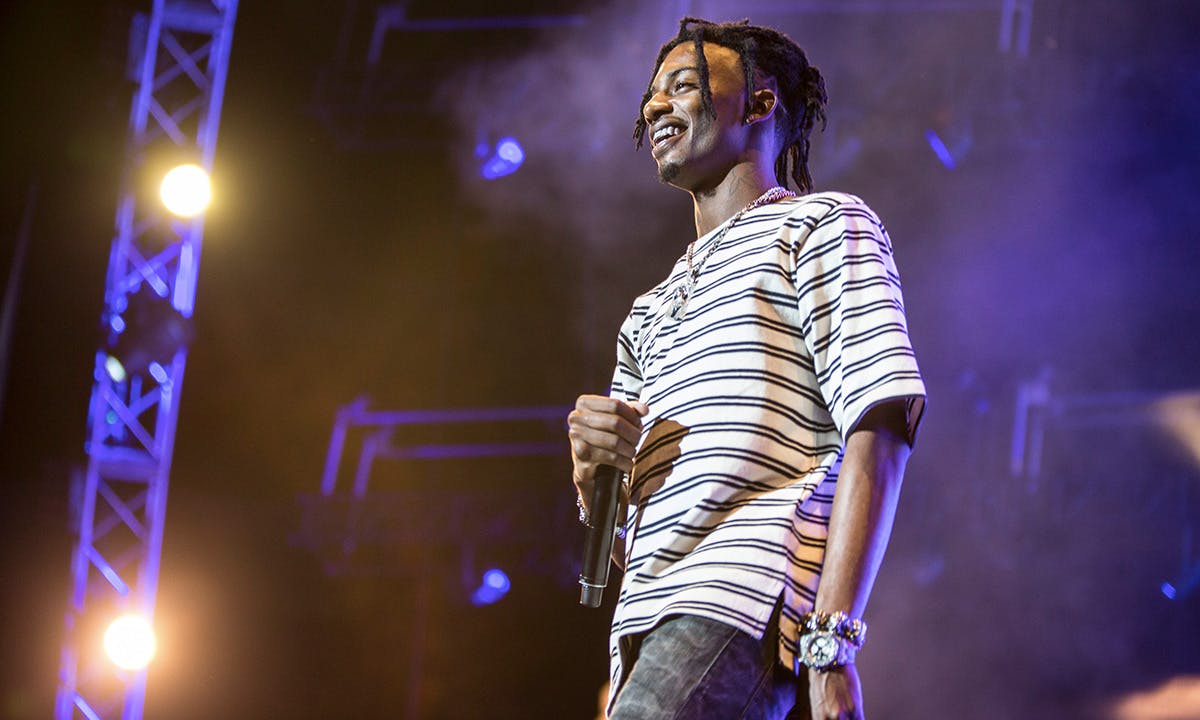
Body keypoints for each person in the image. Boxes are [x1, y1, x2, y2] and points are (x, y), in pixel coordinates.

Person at [567, 17, 926, 720]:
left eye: (683, 85)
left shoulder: (821, 225)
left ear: (760, 104)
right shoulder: (647, 311)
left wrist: (831, 640)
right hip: (644, 625)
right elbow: (628, 538)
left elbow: (882, 421)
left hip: (741, 591)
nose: (655, 105)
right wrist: (592, 476)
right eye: (651, 93)